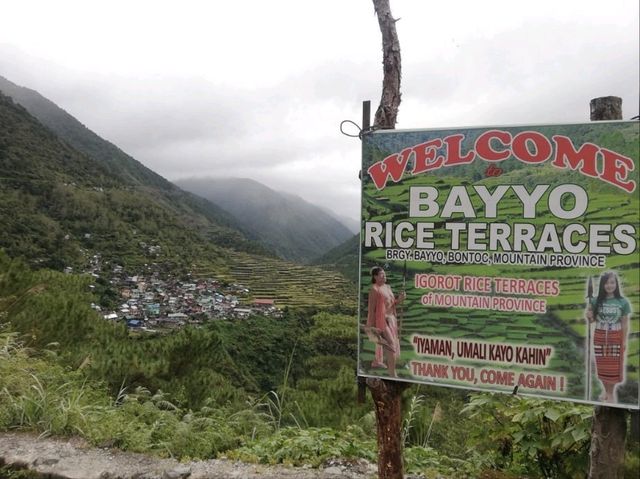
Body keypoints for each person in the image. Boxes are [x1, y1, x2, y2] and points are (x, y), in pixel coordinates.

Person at [586, 271, 631, 403]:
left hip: (615, 336)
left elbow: (624, 323)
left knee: (613, 367)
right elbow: (592, 320)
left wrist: (623, 341)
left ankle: (610, 394)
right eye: (606, 282)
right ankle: (606, 390)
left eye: (612, 282)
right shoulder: (595, 301)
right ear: (602, 285)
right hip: (600, 335)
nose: (609, 285)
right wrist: (588, 315)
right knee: (603, 366)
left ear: (616, 284)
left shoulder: (623, 302)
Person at [366, 266, 405, 377]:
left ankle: (381, 364)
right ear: (375, 276)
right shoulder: (374, 289)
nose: (384, 276)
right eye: (381, 274)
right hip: (382, 321)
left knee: (389, 344)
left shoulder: (388, 287)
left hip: (391, 319)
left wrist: (399, 299)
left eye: (384, 274)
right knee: (391, 346)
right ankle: (392, 373)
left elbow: (392, 304)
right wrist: (370, 327)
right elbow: (371, 310)